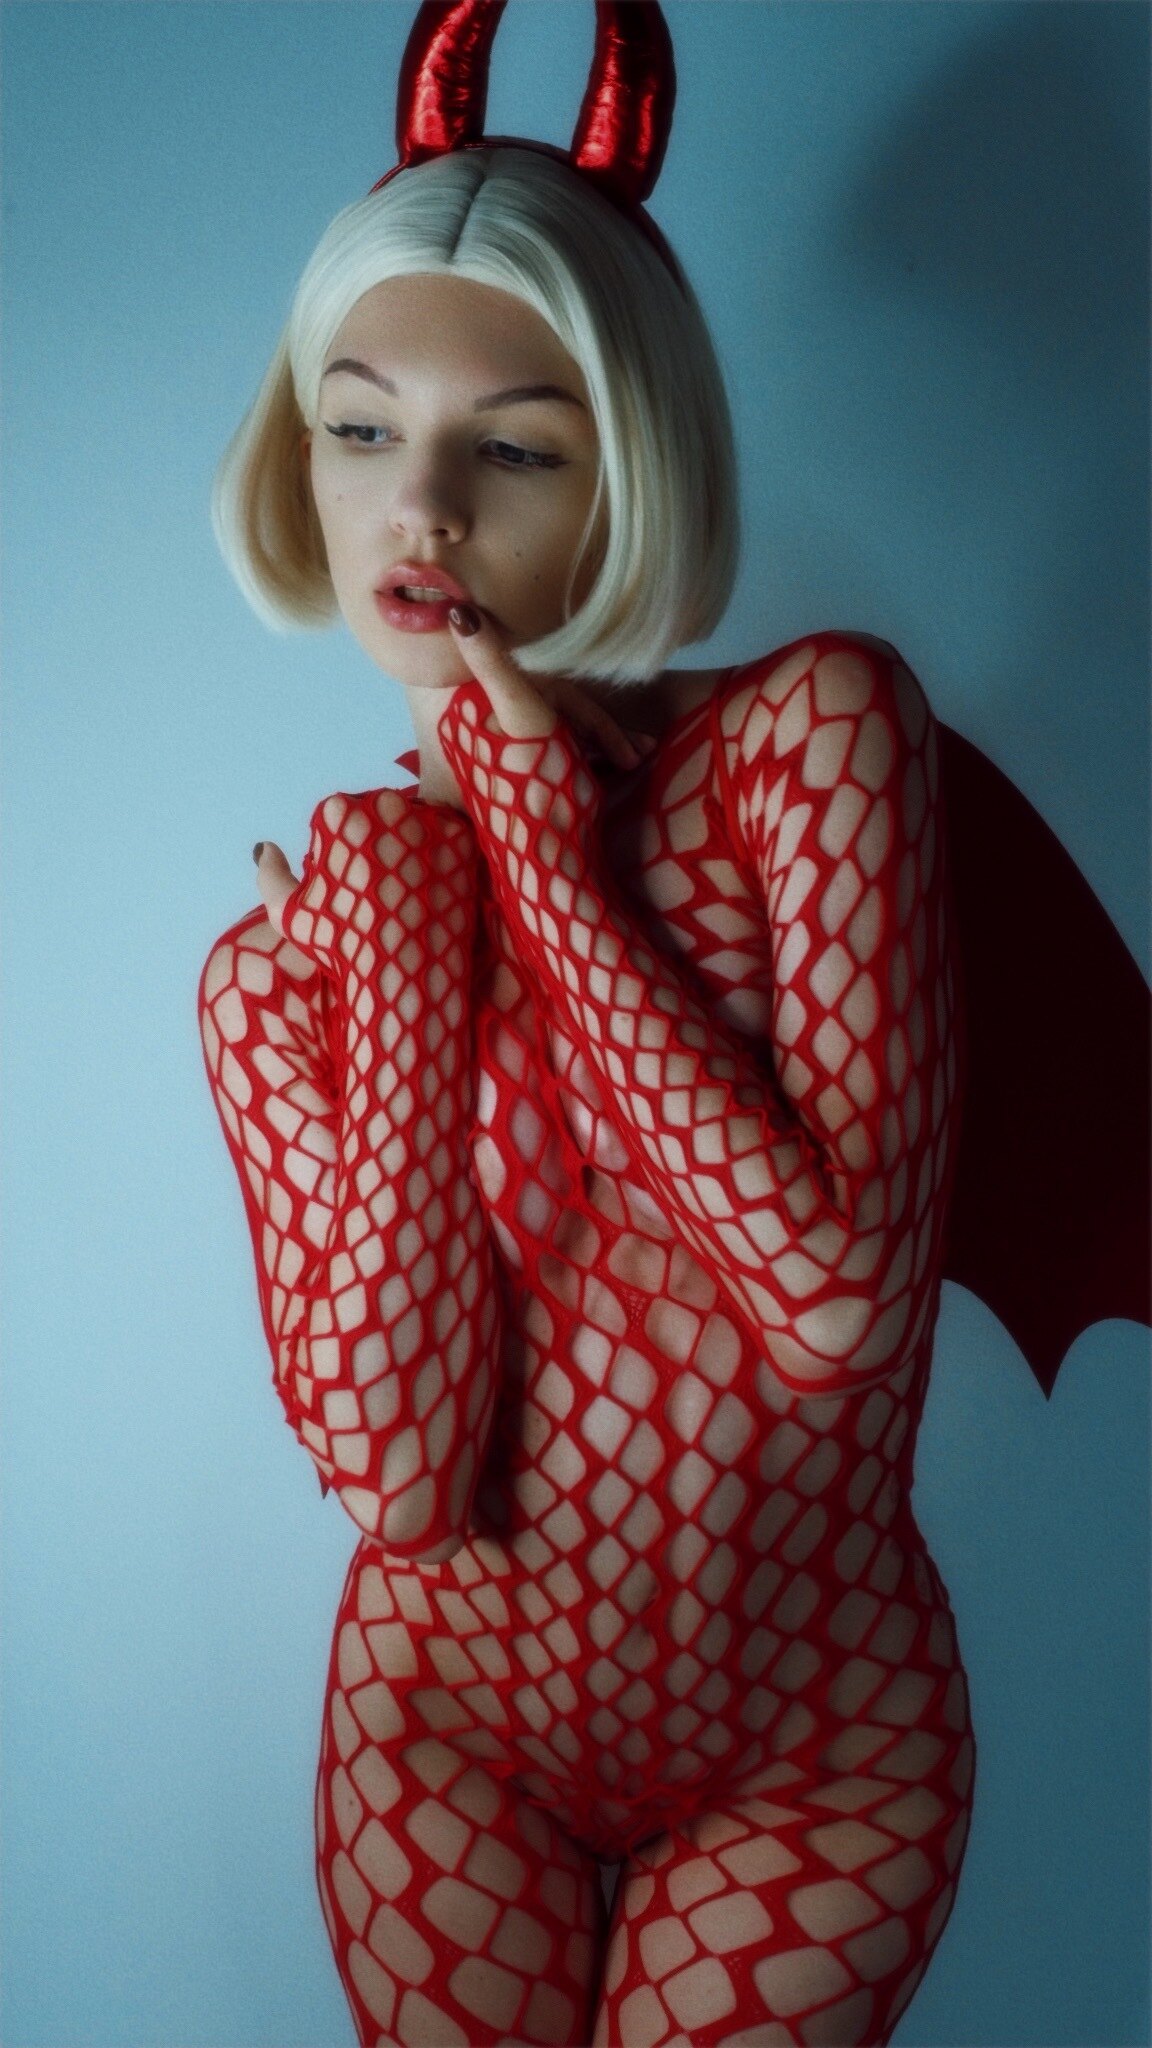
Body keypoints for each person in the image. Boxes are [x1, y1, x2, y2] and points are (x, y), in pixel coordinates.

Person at [198, 6, 975, 2042]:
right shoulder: (285, 961)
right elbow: (396, 1478)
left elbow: (839, 1311)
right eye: (360, 430)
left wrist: (546, 862)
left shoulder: (813, 741)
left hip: (813, 1742)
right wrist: (403, 930)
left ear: (633, 461)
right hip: (445, 1730)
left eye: (515, 446)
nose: (422, 509)